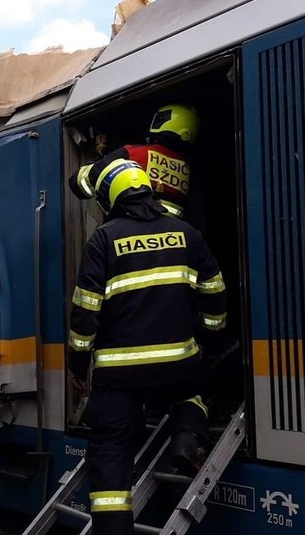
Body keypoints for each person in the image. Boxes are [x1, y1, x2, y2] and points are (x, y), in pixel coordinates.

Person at [66, 159, 228, 535]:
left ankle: (112, 529)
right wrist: (211, 336)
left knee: (110, 455)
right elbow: (215, 293)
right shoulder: (187, 234)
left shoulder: (103, 240)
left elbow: (85, 312)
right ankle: (185, 440)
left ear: (111, 196)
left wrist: (77, 363)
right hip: (177, 368)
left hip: (119, 379)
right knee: (198, 389)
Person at [68, 103, 200, 222]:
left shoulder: (133, 153)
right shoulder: (188, 172)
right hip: (171, 236)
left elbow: (78, 184)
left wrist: (97, 158)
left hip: (126, 231)